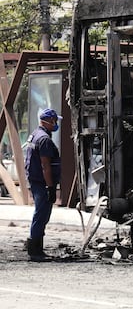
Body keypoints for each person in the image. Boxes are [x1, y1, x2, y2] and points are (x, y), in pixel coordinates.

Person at [25, 108, 62, 261]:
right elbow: (45, 165)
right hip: (42, 182)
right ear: (49, 121)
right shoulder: (44, 139)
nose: (56, 124)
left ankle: (35, 247)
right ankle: (35, 250)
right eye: (54, 121)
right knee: (41, 214)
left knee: (40, 214)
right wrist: (51, 187)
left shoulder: (34, 135)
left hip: (35, 181)